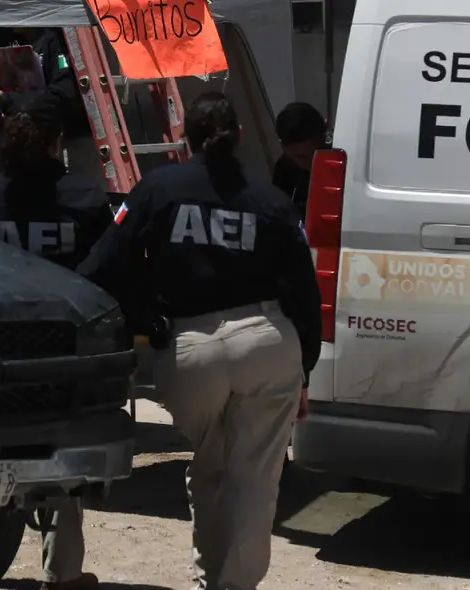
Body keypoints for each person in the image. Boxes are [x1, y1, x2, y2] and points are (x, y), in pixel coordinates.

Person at [77, 92, 321, 590]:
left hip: (190, 346)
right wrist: (305, 370)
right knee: (255, 479)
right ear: (241, 137)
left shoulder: (158, 189)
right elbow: (304, 291)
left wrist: (143, 315)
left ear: (183, 137)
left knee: (210, 464)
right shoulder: (270, 199)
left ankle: (209, 579)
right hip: (266, 341)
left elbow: (103, 266)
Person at [0, 94, 113, 590]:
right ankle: (62, 574)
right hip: (62, 354)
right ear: (56, 142)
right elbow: (107, 274)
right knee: (60, 463)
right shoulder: (87, 199)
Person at [0, 28, 105, 189]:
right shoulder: (10, 39)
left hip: (66, 141)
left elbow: (64, 94)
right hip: (27, 145)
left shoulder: (58, 39)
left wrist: (4, 99)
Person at [272, 102, 328, 220]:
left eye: (316, 153)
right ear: (284, 148)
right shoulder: (284, 171)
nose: (311, 163)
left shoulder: (339, 163)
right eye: (301, 157)